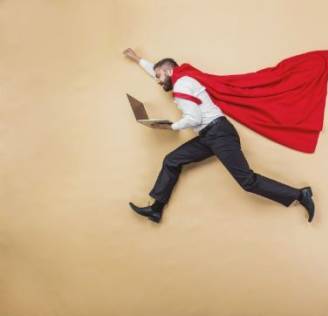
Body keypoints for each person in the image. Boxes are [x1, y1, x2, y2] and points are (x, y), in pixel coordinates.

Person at [123, 48, 315, 224]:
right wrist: (138, 59)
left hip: (219, 134)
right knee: (172, 160)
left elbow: (193, 117)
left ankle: (300, 195)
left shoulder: (181, 84)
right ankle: (156, 210)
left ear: (170, 72)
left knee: (247, 181)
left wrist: (171, 126)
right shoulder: (183, 77)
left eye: (159, 76)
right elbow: (158, 72)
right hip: (209, 136)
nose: (157, 81)